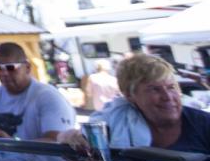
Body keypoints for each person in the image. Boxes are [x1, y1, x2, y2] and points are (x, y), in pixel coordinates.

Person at [59, 53, 210, 153]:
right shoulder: (116, 122)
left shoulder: (203, 123)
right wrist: (69, 137)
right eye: (154, 89)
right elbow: (72, 137)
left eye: (171, 87)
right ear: (129, 95)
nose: (167, 96)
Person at [0, 42, 75, 142]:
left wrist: (12, 144)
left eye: (10, 67)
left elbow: (55, 141)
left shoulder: (48, 97)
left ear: (27, 67)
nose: (4, 73)